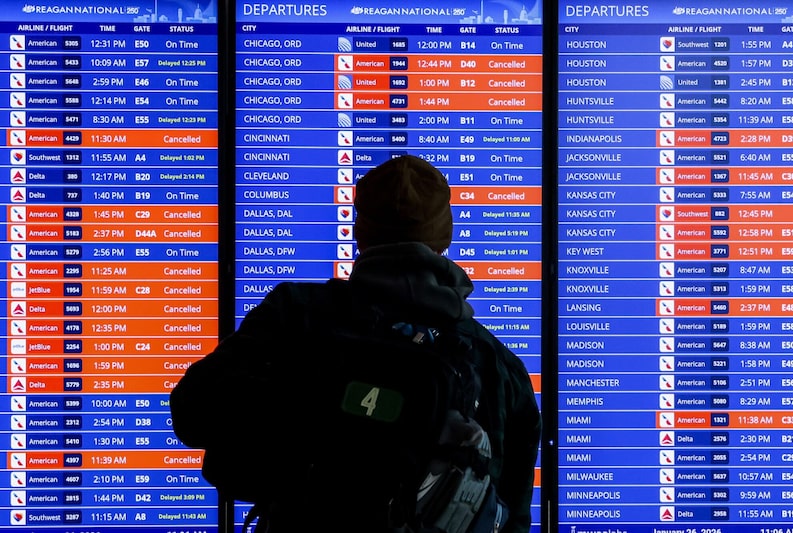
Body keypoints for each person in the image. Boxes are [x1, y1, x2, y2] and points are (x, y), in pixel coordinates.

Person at [171, 154, 541, 533]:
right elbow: (511, 518)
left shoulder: (293, 316)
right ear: (444, 235)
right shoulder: (497, 367)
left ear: (359, 231)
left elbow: (191, 414)